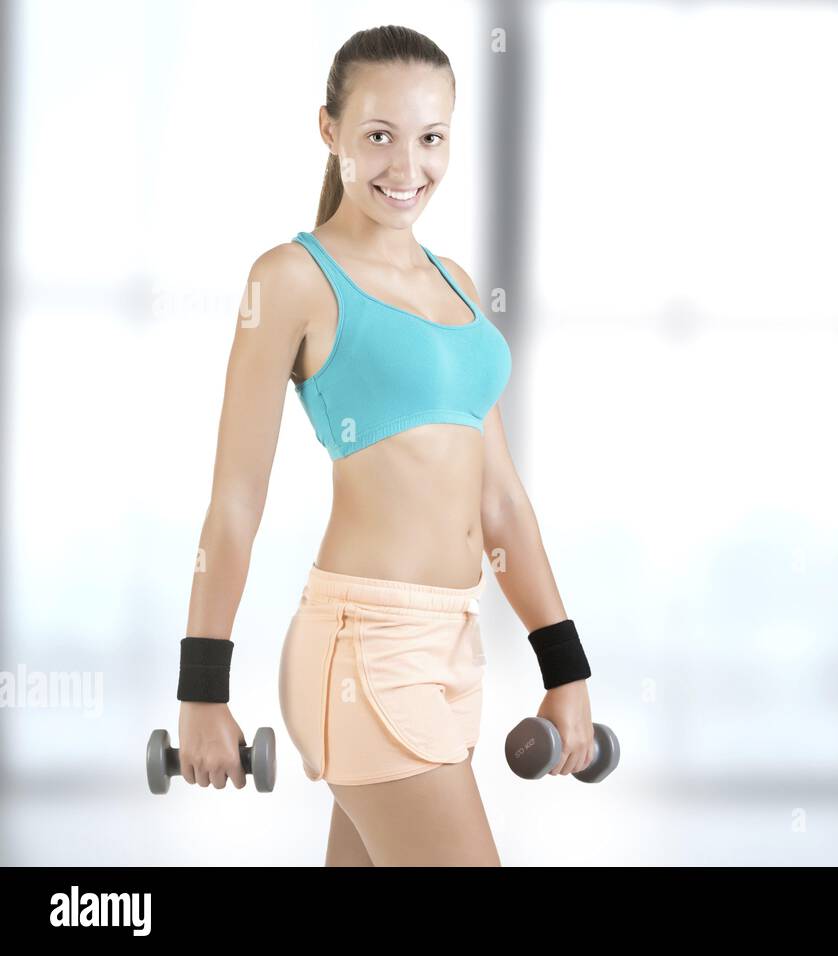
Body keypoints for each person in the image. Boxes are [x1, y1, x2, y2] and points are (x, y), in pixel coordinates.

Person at [173, 25, 595, 866]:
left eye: (431, 138)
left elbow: (501, 500)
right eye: (379, 137)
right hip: (366, 648)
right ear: (329, 132)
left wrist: (565, 665)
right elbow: (234, 502)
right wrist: (201, 693)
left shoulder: (457, 285)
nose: (408, 168)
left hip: (452, 645)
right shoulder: (290, 280)